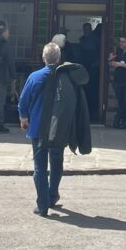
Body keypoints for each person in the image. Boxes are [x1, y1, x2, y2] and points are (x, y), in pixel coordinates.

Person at [18, 42, 91, 216]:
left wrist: (23, 118)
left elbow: (23, 101)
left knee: (40, 167)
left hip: (38, 129)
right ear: (59, 59)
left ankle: (42, 205)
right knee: (56, 163)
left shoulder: (34, 77)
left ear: (43, 58)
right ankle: (52, 195)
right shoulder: (66, 78)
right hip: (59, 129)